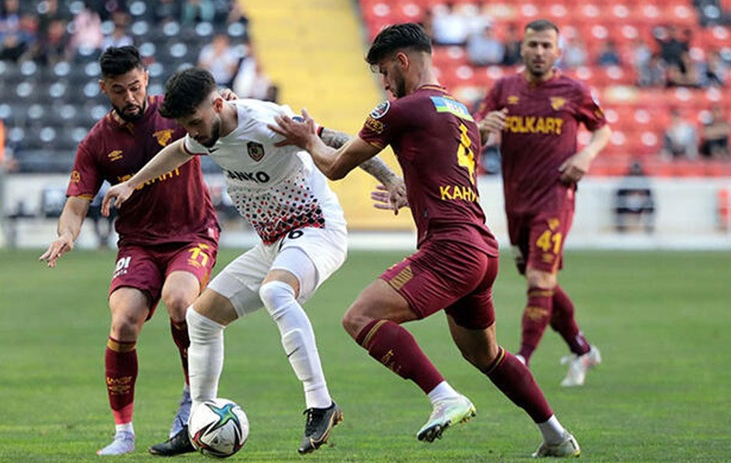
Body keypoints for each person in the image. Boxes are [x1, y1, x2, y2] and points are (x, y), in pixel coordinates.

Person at [271, 22, 581, 458]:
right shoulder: (460, 111)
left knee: (359, 318)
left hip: (449, 249)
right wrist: (406, 190)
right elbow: (444, 176)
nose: (383, 84)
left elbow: (336, 166)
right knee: (486, 354)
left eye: (383, 71)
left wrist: (307, 139)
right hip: (480, 247)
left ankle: (444, 397)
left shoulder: (398, 111)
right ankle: (555, 435)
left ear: (402, 61)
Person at [100, 67, 404, 456]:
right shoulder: (204, 132)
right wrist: (131, 182)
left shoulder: (266, 121)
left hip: (317, 229)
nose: (192, 132)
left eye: (195, 122)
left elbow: (340, 140)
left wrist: (391, 180)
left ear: (219, 103)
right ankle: (198, 420)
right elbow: (178, 150)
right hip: (274, 243)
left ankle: (321, 404)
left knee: (276, 290)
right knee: (201, 318)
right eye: (186, 125)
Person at [39, 46, 221, 456]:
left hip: (191, 234)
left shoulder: (174, 114)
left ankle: (192, 402)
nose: (130, 98)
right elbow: (75, 204)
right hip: (138, 243)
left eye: (135, 87)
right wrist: (66, 234)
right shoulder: (97, 143)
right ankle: (123, 433)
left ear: (147, 78)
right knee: (123, 323)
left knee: (179, 300)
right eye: (119, 91)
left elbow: (218, 119)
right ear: (105, 89)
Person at [475, 19, 611, 387]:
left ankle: (522, 359)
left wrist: (585, 156)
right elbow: (475, 134)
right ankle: (582, 349)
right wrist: (485, 126)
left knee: (539, 277)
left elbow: (603, 128)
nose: (539, 52)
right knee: (540, 281)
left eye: (546, 46)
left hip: (555, 196)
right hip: (516, 199)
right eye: (533, 45)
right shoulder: (503, 88)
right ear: (522, 48)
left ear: (558, 52)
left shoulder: (574, 90)